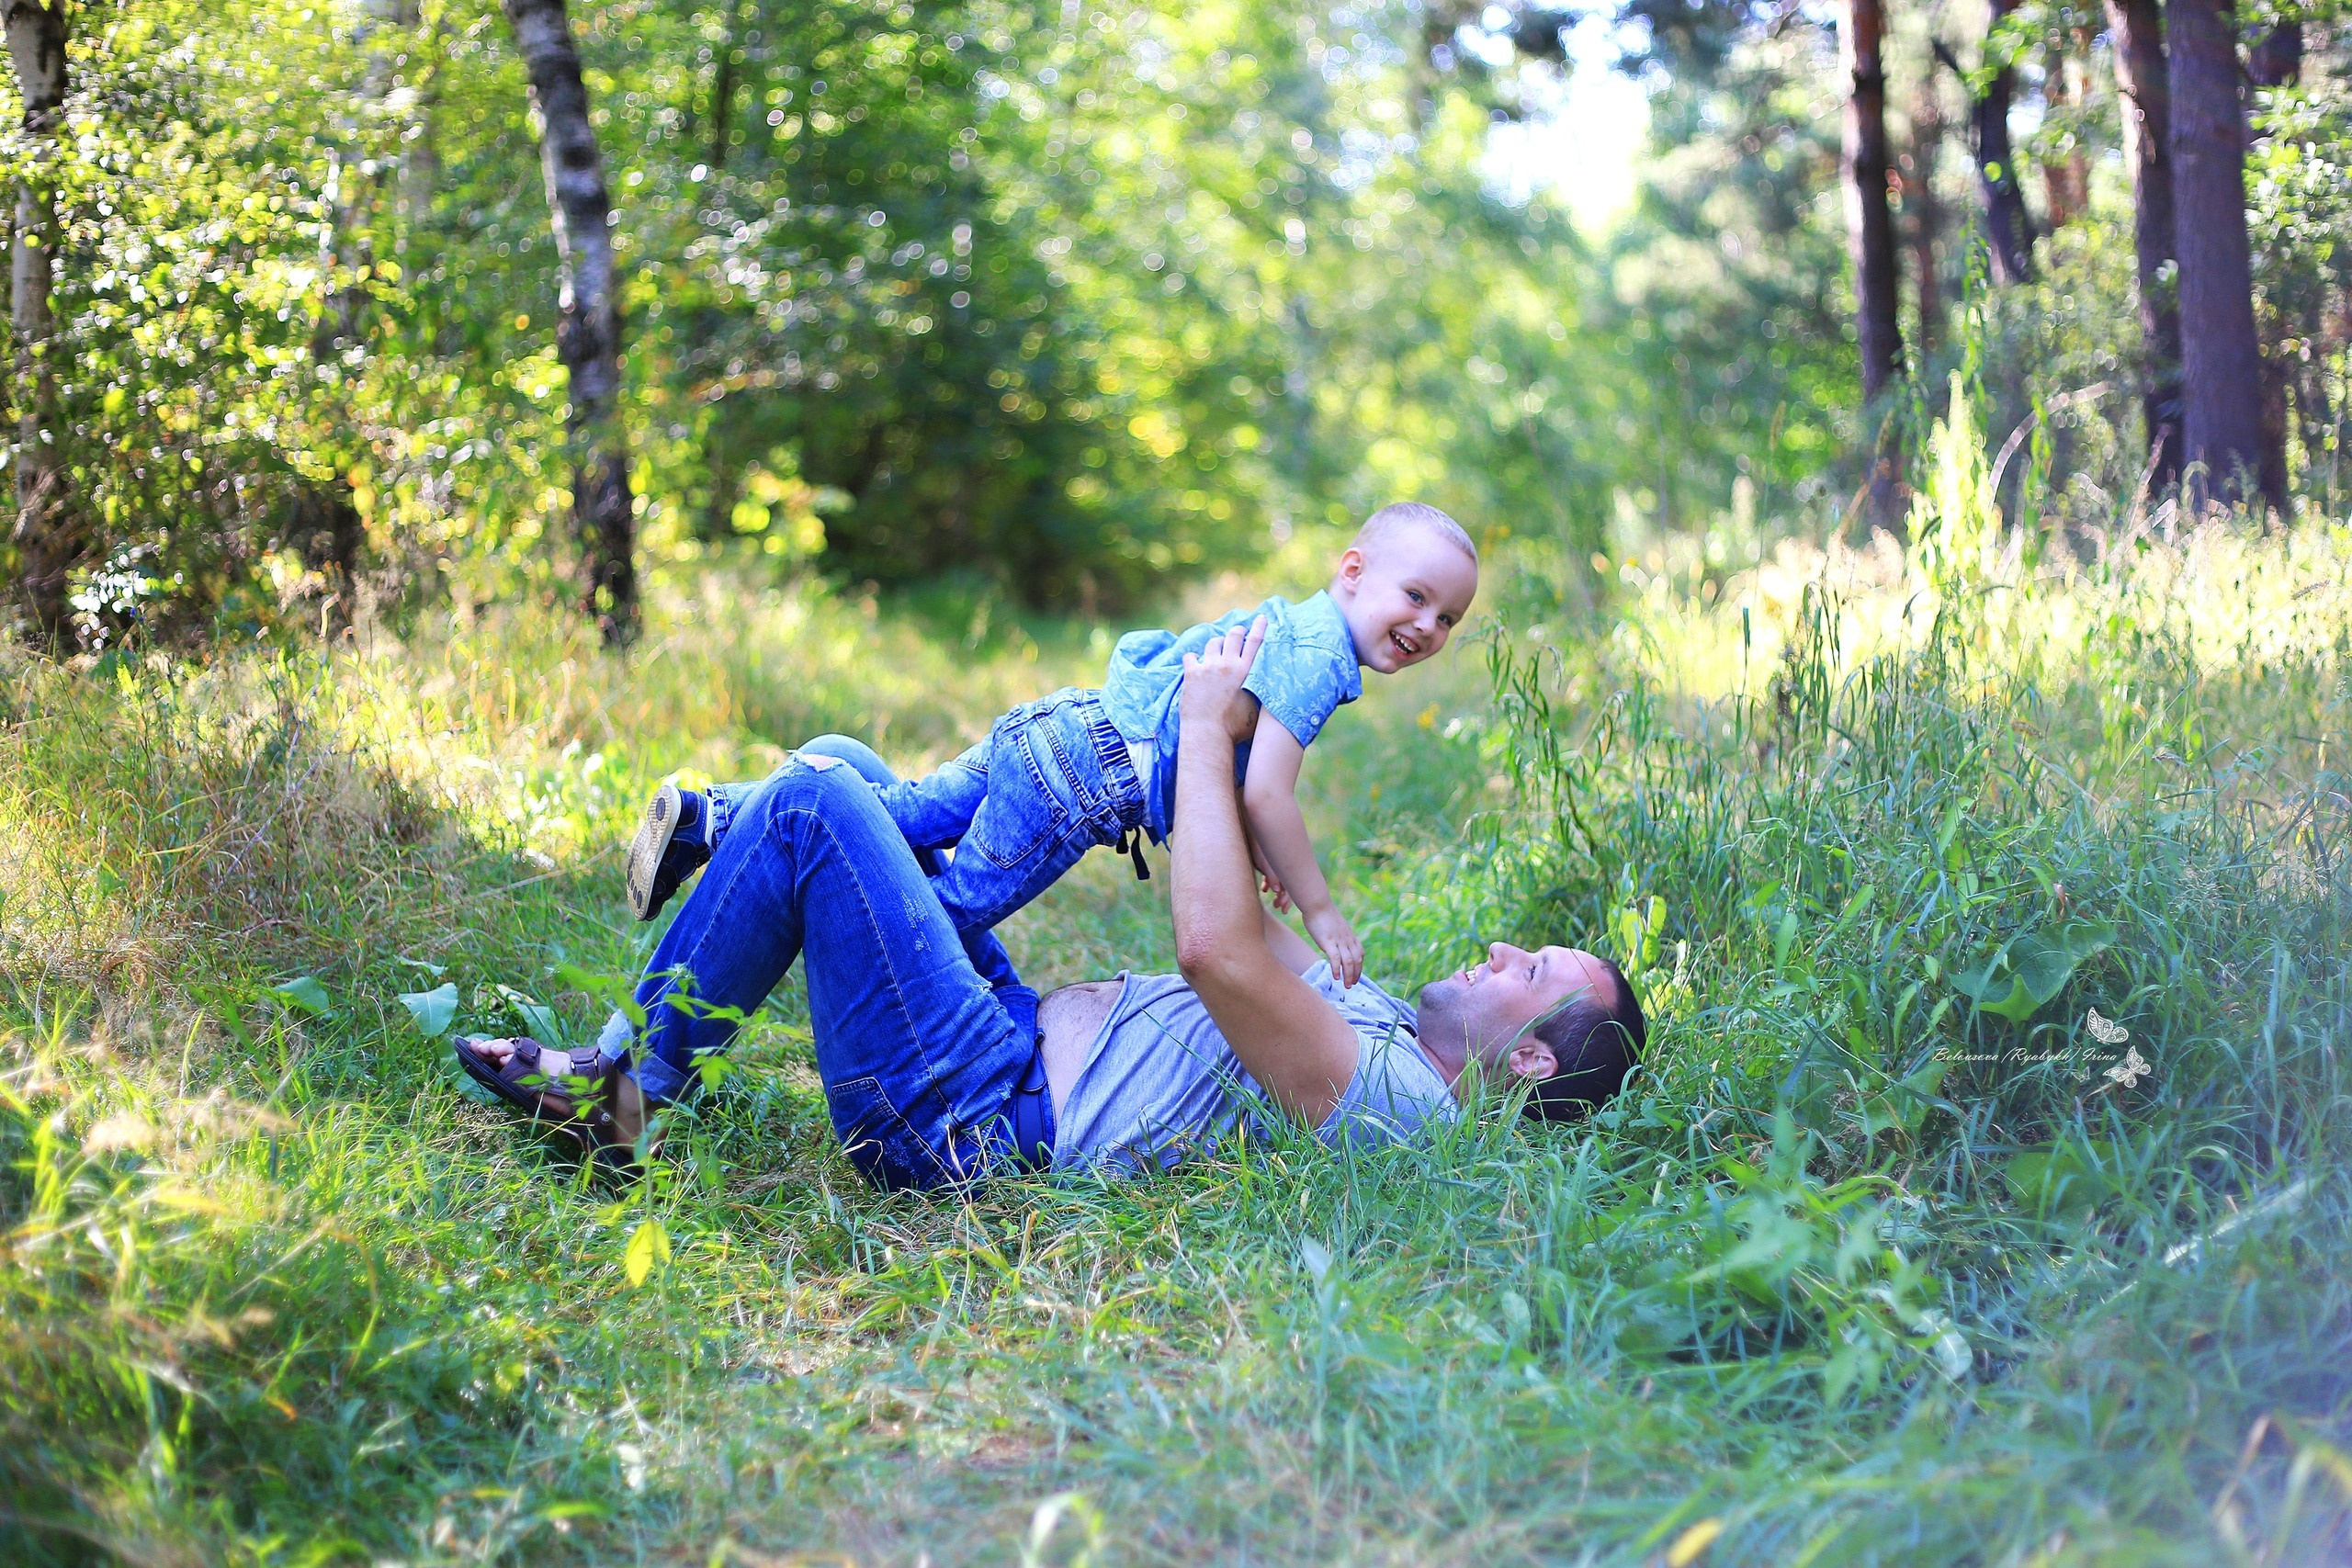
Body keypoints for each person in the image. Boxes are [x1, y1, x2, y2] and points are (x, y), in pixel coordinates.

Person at [455, 621, 1644, 1184]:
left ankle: (626, 1098)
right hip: (1004, 1032)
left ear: (1532, 1061)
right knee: (845, 764)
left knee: (817, 803)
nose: (1501, 945)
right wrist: (1216, 790)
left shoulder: (1401, 1102)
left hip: (969, 1109)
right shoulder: (1379, 1025)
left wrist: (1198, 723)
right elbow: (1257, 926)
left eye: (1530, 966)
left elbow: (1218, 952)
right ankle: (666, 1000)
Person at [620, 502, 1480, 988]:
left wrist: (1244, 850)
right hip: (1080, 781)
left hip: (1062, 722)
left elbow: (1213, 760)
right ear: (1354, 570)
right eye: (1417, 595)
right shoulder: (1322, 660)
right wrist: (1320, 909)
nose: (1428, 625)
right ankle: (807, 903)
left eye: (1449, 617)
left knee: (914, 809)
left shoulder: (1290, 628)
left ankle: (711, 815)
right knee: (943, 913)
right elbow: (1265, 791)